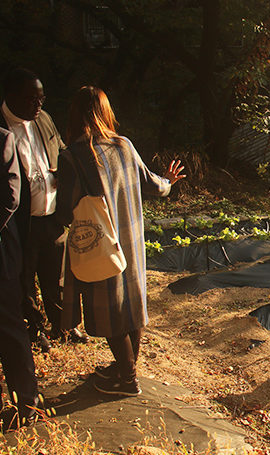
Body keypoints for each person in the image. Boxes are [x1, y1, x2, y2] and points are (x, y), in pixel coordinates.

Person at [56, 86, 185, 396]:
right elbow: (154, 185)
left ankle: (127, 378)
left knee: (109, 310)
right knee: (130, 307)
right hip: (131, 240)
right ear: (105, 112)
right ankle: (123, 368)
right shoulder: (123, 145)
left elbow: (63, 210)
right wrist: (168, 180)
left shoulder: (72, 156)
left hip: (101, 243)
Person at [1, 68, 87, 351]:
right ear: (11, 97)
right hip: (19, 222)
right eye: (31, 100)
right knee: (24, 279)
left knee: (56, 276)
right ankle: (33, 329)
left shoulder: (44, 118)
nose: (38, 105)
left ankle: (63, 324)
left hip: (51, 214)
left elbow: (62, 151)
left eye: (41, 99)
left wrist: (60, 173)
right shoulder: (2, 127)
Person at [0, 126, 40, 431]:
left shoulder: (4, 139)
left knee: (9, 322)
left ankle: (26, 401)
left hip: (1, 247)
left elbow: (10, 197)